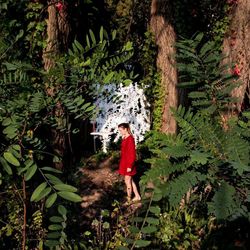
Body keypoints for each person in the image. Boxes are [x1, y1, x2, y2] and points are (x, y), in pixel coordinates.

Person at [118, 123, 141, 204]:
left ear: (126, 129)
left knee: (127, 181)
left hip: (128, 164)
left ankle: (129, 200)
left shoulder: (130, 139)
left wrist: (130, 166)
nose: (120, 132)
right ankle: (137, 196)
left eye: (121, 130)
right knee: (130, 181)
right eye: (119, 130)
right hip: (124, 163)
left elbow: (132, 154)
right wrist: (123, 138)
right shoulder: (125, 137)